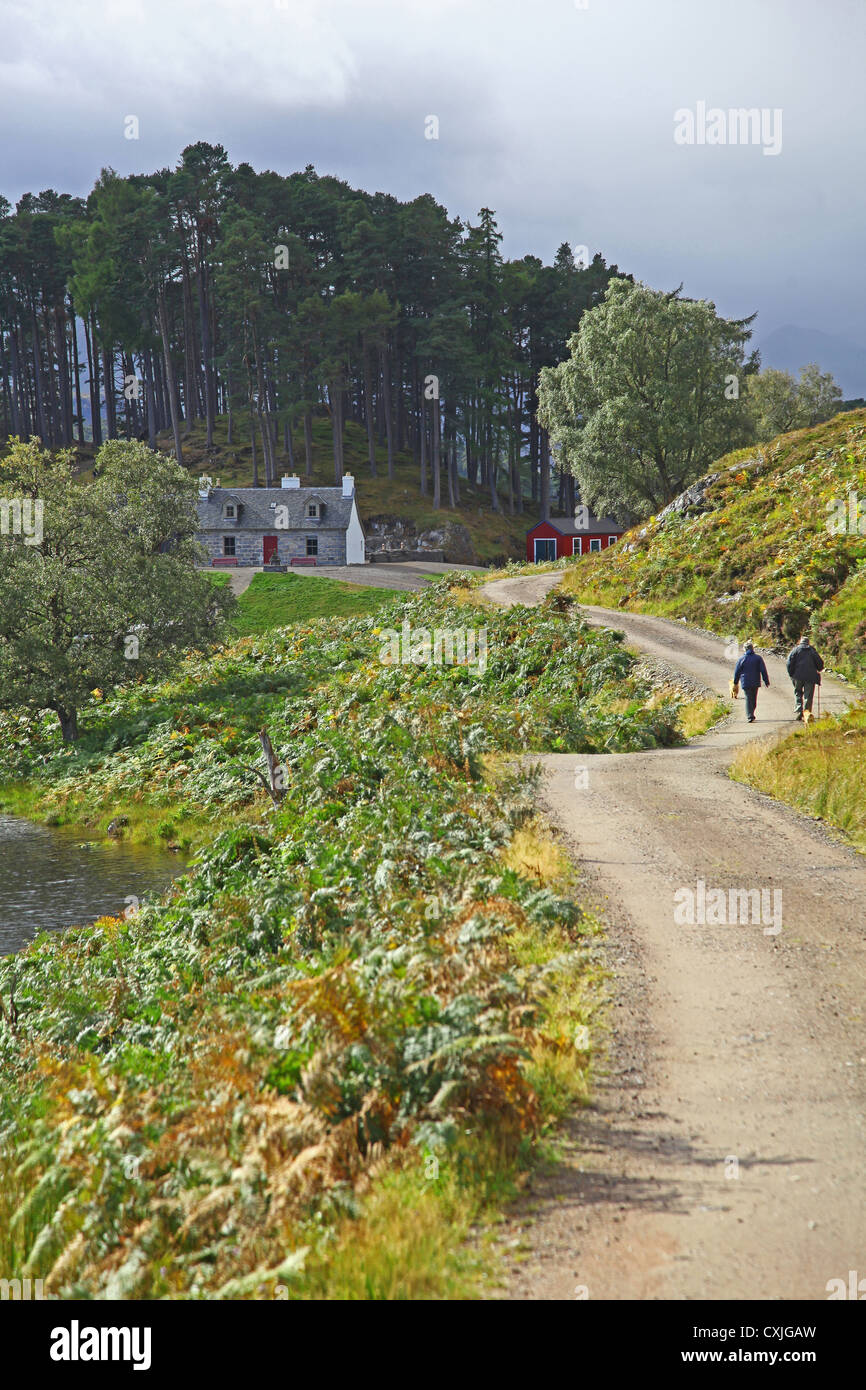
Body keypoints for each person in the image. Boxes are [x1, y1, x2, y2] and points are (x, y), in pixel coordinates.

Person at [786, 633, 824, 722]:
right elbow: (820, 663)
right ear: (808, 643)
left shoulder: (795, 650)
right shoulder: (812, 651)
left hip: (797, 676)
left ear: (800, 642)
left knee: (798, 692)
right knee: (808, 696)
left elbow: (789, 663)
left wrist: (791, 674)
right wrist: (819, 669)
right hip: (810, 677)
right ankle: (806, 713)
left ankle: (799, 710)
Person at [733, 640, 770, 723]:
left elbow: (737, 671)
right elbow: (763, 670)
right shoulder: (758, 658)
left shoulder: (741, 659)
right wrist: (766, 681)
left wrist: (735, 682)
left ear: (745, 649)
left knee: (749, 698)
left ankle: (750, 714)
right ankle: (750, 715)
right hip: (755, 682)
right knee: (752, 699)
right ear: (752, 648)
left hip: (745, 682)